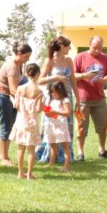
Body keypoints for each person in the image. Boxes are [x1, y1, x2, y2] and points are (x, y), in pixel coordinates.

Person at [35, 36, 79, 164]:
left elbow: (73, 80)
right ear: (61, 46)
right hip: (52, 98)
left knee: (65, 125)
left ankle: (65, 156)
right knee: (51, 124)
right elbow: (40, 80)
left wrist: (78, 98)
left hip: (66, 96)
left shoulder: (69, 60)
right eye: (68, 46)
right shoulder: (49, 61)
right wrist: (55, 77)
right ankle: (48, 155)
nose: (70, 49)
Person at [74, 36, 107, 161]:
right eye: (95, 48)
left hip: (100, 99)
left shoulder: (105, 58)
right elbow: (72, 75)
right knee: (81, 127)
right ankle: (80, 153)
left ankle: (102, 151)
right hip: (83, 99)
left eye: (100, 48)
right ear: (89, 45)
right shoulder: (80, 57)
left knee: (103, 126)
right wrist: (84, 75)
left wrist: (106, 79)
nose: (98, 50)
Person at [0, 42, 33, 166]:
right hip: (2, 97)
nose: (28, 59)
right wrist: (30, 96)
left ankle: (4, 156)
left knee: (10, 127)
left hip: (9, 98)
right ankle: (3, 158)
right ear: (19, 54)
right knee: (6, 127)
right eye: (26, 56)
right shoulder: (12, 66)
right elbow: (13, 89)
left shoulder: (19, 64)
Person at [8, 63, 43, 180]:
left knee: (21, 148)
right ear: (38, 74)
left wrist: (13, 99)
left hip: (21, 122)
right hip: (32, 122)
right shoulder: (39, 91)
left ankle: (20, 173)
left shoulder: (20, 88)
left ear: (26, 74)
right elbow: (38, 109)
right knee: (31, 150)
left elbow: (16, 106)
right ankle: (29, 174)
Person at [42, 81, 73, 172]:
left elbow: (67, 113)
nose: (53, 94)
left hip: (61, 126)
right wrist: (47, 111)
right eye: (52, 92)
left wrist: (56, 112)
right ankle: (51, 162)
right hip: (51, 125)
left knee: (65, 146)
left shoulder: (65, 100)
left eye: (55, 92)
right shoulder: (51, 100)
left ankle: (66, 166)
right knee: (52, 144)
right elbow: (49, 110)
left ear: (61, 91)